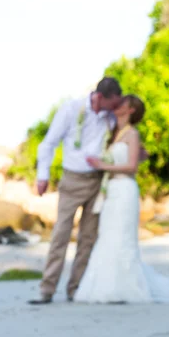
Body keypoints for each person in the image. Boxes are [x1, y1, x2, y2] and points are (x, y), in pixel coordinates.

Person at [74, 95, 169, 304]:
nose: (117, 105)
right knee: (107, 236)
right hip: (110, 190)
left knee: (123, 238)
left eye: (122, 103)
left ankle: (125, 287)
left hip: (125, 188)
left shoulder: (132, 134)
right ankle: (103, 286)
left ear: (130, 110)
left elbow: (132, 167)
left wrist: (102, 166)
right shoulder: (113, 133)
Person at [31, 77, 123, 304]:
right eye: (113, 103)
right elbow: (49, 143)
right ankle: (47, 289)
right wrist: (42, 176)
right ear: (100, 97)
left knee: (88, 238)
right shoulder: (71, 109)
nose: (115, 108)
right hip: (71, 180)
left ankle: (75, 288)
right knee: (60, 234)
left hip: (97, 182)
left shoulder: (112, 116)